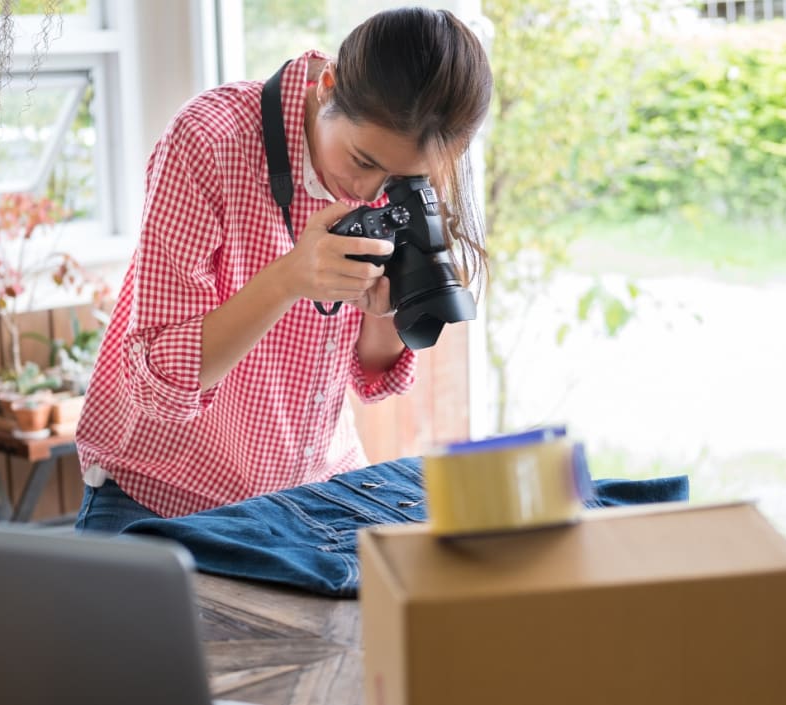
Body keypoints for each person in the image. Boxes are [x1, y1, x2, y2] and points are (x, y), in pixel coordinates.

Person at [75, 6, 493, 534]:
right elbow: (160, 382)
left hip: (313, 490)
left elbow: (373, 379)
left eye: (399, 178)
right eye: (363, 161)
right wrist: (289, 278)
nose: (370, 192)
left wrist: (382, 309)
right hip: (164, 493)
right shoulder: (211, 141)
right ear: (328, 86)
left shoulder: (407, 173)